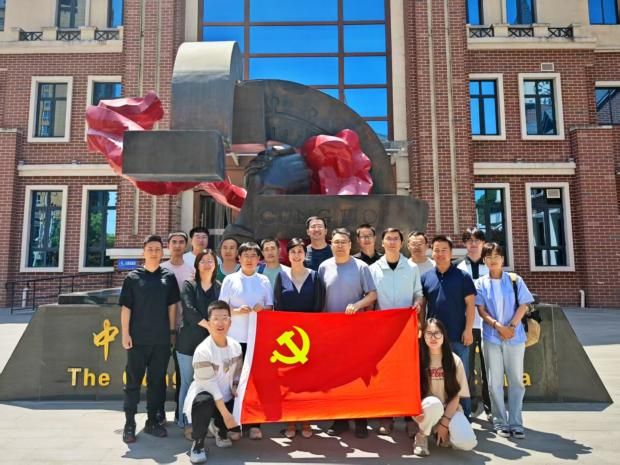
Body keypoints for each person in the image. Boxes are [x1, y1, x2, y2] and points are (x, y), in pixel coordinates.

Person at [120, 235, 180, 444]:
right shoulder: (132, 277)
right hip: (137, 339)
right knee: (133, 382)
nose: (154, 252)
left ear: (162, 252)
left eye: (157, 249)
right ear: (143, 252)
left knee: (157, 382)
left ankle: (152, 420)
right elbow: (126, 307)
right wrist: (125, 334)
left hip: (161, 339)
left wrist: (172, 332)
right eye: (150, 249)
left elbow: (172, 307)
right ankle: (129, 423)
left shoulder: (168, 277)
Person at [318, 228, 377, 438]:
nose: (340, 245)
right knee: (337, 377)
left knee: (358, 377)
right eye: (336, 242)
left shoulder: (361, 267)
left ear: (350, 245)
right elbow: (320, 299)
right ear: (331, 245)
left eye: (344, 242)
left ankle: (361, 421)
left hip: (356, 331)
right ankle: (340, 420)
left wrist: (357, 304)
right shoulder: (323, 267)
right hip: (332, 332)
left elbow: (372, 294)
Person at [476, 243, 534, 439]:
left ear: (503, 259)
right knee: (494, 383)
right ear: (484, 260)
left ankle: (516, 423)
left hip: (514, 337)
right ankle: (500, 421)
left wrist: (511, 327)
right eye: (489, 256)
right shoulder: (480, 283)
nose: (493, 260)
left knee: (516, 380)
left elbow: (524, 305)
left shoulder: (515, 280)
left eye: (496, 256)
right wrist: (498, 327)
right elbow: (481, 310)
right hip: (491, 337)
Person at [369, 227, 423, 436]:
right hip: (382, 330)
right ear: (382, 243)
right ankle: (386, 417)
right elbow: (371, 297)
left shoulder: (411, 267)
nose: (392, 242)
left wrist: (418, 303)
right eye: (388, 239)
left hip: (405, 329)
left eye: (395, 239)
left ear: (401, 243)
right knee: (385, 374)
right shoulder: (373, 268)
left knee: (408, 373)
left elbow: (419, 294)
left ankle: (410, 417)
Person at [219, 241, 273, 440]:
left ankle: (254, 424)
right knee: (232, 382)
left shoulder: (264, 280)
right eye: (245, 255)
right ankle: (233, 425)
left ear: (259, 259)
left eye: (253, 256)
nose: (249, 259)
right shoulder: (230, 280)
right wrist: (235, 311)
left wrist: (262, 309)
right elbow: (221, 309)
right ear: (239, 258)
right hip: (234, 339)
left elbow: (271, 308)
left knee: (254, 382)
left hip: (256, 339)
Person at [273, 237, 325, 439]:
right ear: (288, 255)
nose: (296, 255)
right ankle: (290, 421)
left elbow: (319, 305)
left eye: (300, 252)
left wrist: (311, 330)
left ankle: (306, 420)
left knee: (307, 381)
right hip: (288, 337)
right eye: (293, 252)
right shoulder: (281, 276)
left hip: (309, 336)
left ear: (305, 254)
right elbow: (278, 305)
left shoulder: (315, 276)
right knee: (289, 382)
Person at [420, 235, 476, 419]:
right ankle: (437, 417)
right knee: (435, 378)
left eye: (444, 250)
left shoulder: (463, 277)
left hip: (457, 335)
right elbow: (422, 306)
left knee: (461, 376)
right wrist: (421, 329)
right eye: (436, 250)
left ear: (451, 253)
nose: (440, 253)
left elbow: (470, 305)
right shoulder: (426, 277)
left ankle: (464, 416)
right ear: (432, 253)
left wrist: (468, 330)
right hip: (433, 339)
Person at [184, 300, 243, 464]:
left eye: (224, 318)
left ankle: (219, 428)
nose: (220, 323)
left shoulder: (236, 346)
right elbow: (210, 387)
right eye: (215, 318)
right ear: (209, 323)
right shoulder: (203, 351)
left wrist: (236, 389)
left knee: (236, 432)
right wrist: (227, 415)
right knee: (204, 401)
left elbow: (238, 374)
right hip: (207, 396)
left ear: (230, 322)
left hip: (226, 396)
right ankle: (198, 444)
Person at [411, 318, 477, 456]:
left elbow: (456, 396)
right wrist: (414, 413)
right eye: (429, 333)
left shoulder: (454, 360)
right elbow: (409, 392)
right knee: (434, 404)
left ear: (443, 335)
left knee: (467, 443)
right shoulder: (417, 359)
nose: (433, 337)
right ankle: (422, 436)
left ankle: (438, 432)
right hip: (426, 408)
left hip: (449, 409)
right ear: (423, 336)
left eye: (437, 333)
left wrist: (444, 423)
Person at [177, 249, 221, 439]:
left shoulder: (219, 287)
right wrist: (209, 325)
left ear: (215, 265)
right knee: (188, 383)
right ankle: (186, 422)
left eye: (210, 261)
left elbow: (222, 311)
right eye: (203, 261)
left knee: (209, 385)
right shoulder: (189, 285)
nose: (207, 264)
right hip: (188, 342)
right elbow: (189, 309)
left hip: (211, 345)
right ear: (197, 265)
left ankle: (205, 424)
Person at [456, 228, 491, 420]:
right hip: (466, 326)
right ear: (464, 244)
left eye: (477, 240)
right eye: (469, 240)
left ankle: (490, 408)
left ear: (483, 243)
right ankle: (466, 408)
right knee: (465, 371)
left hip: (488, 326)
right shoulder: (457, 267)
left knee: (489, 371)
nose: (473, 244)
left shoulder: (492, 265)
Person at [161, 231, 195, 427]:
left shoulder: (192, 270)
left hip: (184, 329)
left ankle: (180, 413)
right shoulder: (162, 269)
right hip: (161, 327)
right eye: (174, 242)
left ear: (186, 245)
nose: (177, 245)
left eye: (181, 242)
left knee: (183, 375)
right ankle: (158, 413)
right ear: (168, 245)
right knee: (159, 371)